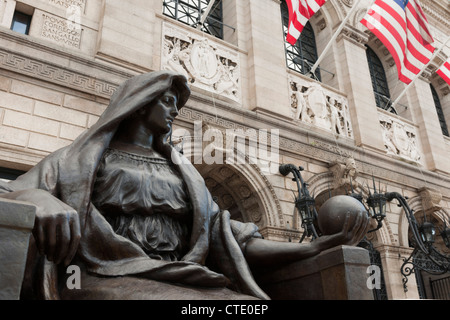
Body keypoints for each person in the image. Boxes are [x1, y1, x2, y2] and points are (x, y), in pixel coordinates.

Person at [0, 71, 369, 300]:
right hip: (100, 277)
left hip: (185, 278)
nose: (175, 111)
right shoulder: (77, 159)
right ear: (140, 105)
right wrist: (37, 198)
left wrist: (312, 248)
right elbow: (8, 193)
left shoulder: (185, 174)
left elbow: (233, 238)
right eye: (167, 101)